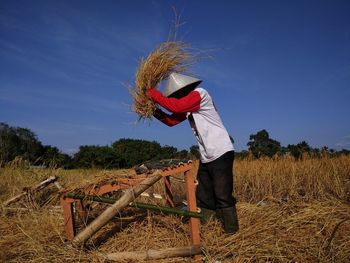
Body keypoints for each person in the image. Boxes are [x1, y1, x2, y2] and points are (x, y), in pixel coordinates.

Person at [147, 72, 239, 234]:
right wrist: (153, 110)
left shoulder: (200, 94)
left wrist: (154, 94)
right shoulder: (189, 108)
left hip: (221, 151)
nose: (176, 97)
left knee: (222, 193)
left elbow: (176, 106)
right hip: (206, 155)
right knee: (204, 193)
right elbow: (171, 121)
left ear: (185, 90)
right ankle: (206, 222)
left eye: (177, 94)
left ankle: (231, 231)